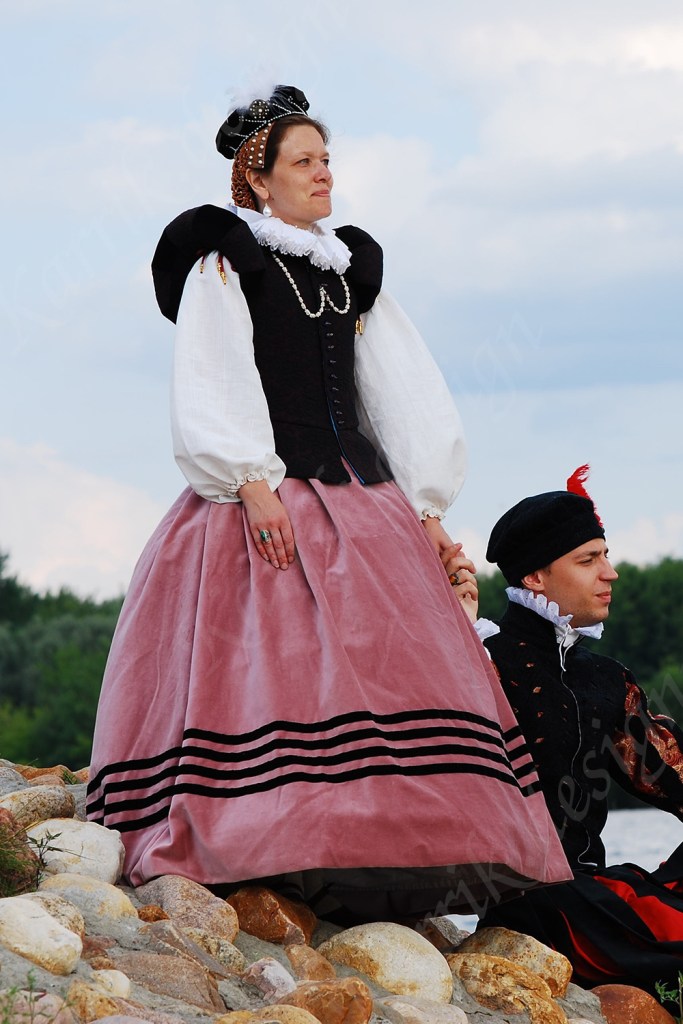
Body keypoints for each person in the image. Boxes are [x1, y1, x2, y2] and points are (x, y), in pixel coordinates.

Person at [86, 84, 569, 922]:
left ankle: (380, 858)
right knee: (270, 665)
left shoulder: (351, 268)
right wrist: (251, 482)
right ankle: (262, 843)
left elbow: (398, 393)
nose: (323, 175)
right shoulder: (225, 259)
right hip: (261, 496)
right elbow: (212, 371)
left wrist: (425, 508)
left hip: (366, 501)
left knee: (394, 662)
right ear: (258, 178)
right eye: (304, 161)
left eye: (326, 160)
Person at [478, 466, 683, 994]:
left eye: (605, 556)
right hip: (528, 903)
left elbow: (670, 774)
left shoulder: (606, 678)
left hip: (591, 893)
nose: (610, 573)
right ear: (535, 577)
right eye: (588, 560)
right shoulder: (482, 664)